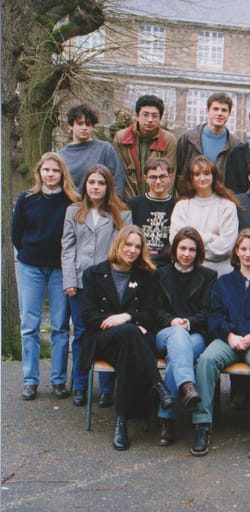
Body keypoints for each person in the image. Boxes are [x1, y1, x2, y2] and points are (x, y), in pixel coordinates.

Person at [80, 225, 176, 450]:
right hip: (103, 340)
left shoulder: (148, 276)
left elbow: (151, 315)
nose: (132, 250)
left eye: (137, 246)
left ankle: (121, 423)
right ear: (118, 244)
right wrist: (128, 322)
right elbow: (88, 317)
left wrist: (127, 317)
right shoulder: (93, 274)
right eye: (128, 245)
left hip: (132, 342)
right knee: (130, 334)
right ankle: (158, 385)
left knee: (128, 345)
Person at [191, 229, 250, 458]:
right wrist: (230, 335)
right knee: (206, 360)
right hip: (229, 339)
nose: (248, 254)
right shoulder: (224, 282)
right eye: (244, 249)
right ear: (237, 252)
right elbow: (215, 316)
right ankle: (202, 425)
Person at [62, 164, 133, 407]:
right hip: (80, 282)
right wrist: (69, 279)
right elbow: (67, 247)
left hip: (108, 283)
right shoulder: (73, 211)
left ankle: (106, 389)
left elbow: (122, 249)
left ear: (108, 187)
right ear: (85, 185)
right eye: (91, 182)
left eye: (101, 183)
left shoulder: (121, 213)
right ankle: (80, 385)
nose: (95, 187)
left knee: (107, 331)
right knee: (81, 333)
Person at [12, 152, 80, 401]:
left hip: (60, 269)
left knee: (60, 326)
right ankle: (30, 381)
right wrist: (29, 253)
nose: (50, 174)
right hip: (31, 267)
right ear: (39, 172)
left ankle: (58, 380)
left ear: (62, 173)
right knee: (29, 326)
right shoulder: (27, 199)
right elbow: (16, 234)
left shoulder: (72, 202)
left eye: (55, 170)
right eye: (46, 170)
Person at [154, 227, 217, 447]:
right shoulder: (159, 274)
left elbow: (208, 312)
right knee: (178, 338)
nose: (186, 254)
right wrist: (172, 322)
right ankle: (188, 386)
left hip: (195, 334)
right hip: (165, 333)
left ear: (198, 252)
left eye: (192, 249)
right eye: (182, 248)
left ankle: (166, 419)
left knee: (176, 358)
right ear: (174, 249)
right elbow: (155, 309)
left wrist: (188, 323)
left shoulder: (208, 276)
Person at [169, 155, 239, 276]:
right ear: (190, 178)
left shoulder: (227, 206)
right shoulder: (182, 206)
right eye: (197, 174)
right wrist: (211, 237)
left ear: (213, 175)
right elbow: (176, 241)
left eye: (206, 173)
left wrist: (192, 246)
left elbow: (226, 246)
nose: (202, 178)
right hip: (187, 274)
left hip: (219, 274)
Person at [112, 94, 177, 199]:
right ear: (137, 116)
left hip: (157, 202)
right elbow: (118, 175)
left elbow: (170, 177)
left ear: (160, 118)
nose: (150, 120)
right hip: (128, 201)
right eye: (145, 115)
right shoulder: (121, 138)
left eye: (154, 116)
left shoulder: (168, 140)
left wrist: (161, 203)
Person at [59, 104, 127, 198]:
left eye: (88, 124)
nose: (84, 128)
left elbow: (118, 182)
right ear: (70, 126)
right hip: (71, 205)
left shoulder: (105, 149)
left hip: (101, 205)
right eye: (80, 124)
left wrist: (113, 204)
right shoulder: (61, 156)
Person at [175, 92, 242, 184]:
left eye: (224, 110)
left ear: (229, 113)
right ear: (207, 111)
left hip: (221, 192)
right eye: (215, 109)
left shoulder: (236, 145)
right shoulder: (187, 139)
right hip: (191, 192)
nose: (219, 113)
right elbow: (178, 172)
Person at [127, 158, 176, 267]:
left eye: (162, 177)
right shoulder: (134, 204)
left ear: (170, 177)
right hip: (139, 262)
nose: (158, 181)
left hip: (167, 265)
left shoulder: (177, 205)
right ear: (145, 178)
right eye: (153, 177)